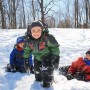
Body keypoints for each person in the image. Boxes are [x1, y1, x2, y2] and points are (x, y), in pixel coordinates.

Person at [23, 21, 60, 87]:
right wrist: (26, 59)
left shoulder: (46, 38)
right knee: (37, 69)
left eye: (38, 30)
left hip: (47, 56)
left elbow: (54, 47)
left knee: (47, 69)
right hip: (37, 57)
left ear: (42, 30)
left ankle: (48, 81)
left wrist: (56, 57)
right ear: (30, 31)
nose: (36, 33)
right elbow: (27, 50)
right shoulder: (29, 41)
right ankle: (38, 77)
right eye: (33, 31)